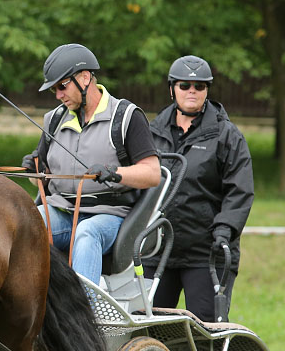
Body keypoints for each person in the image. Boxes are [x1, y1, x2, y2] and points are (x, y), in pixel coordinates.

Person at [22, 44, 161, 286]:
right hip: (62, 211)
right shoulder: (54, 120)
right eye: (54, 89)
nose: (58, 95)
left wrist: (114, 173)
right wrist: (34, 172)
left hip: (109, 215)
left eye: (62, 86)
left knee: (87, 233)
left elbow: (152, 174)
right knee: (24, 222)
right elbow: (42, 182)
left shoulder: (126, 116)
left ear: (85, 78)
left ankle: (84, 315)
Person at [145, 55, 254, 321]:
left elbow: (239, 190)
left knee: (205, 333)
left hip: (206, 252)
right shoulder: (151, 131)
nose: (192, 91)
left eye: (200, 86)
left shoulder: (226, 135)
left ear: (207, 90)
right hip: (158, 249)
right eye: (185, 85)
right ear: (172, 89)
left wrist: (225, 229)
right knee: (148, 328)